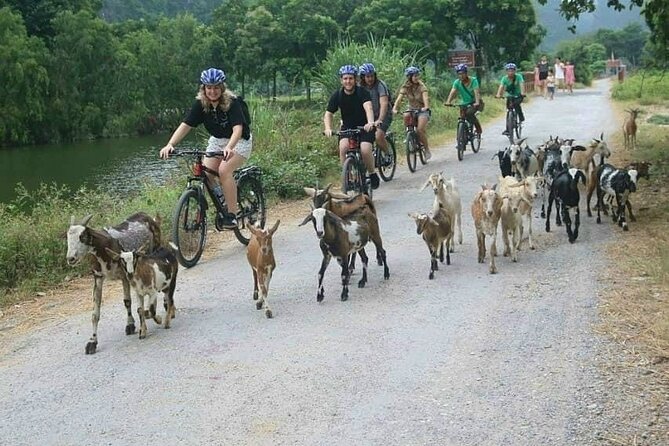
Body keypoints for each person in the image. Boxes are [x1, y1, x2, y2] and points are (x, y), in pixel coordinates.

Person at [159, 67, 252, 229]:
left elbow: (238, 129)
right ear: (203, 88)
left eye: (216, 87)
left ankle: (231, 215)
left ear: (222, 88)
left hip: (238, 141)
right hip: (217, 140)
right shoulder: (201, 105)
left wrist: (230, 147)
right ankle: (223, 197)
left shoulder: (232, 102)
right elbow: (185, 125)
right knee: (206, 172)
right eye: (208, 87)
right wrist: (170, 144)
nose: (212, 91)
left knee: (224, 170)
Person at [323, 64, 379, 189]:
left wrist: (370, 122)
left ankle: (372, 173)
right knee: (343, 148)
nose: (348, 81)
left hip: (364, 127)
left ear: (356, 80)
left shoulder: (362, 92)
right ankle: (347, 178)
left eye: (350, 78)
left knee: (365, 149)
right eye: (345, 78)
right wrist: (328, 128)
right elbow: (328, 114)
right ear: (341, 80)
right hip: (347, 127)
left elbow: (368, 107)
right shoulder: (337, 95)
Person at [392, 66, 431, 160]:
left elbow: (425, 98)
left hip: (422, 110)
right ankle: (409, 134)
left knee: (420, 129)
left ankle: (426, 150)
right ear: (409, 77)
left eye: (417, 75)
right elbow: (399, 99)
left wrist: (425, 107)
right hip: (412, 108)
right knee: (405, 115)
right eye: (414, 76)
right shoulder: (406, 87)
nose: (417, 77)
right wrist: (395, 108)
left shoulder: (422, 86)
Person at [358, 62, 393, 165]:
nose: (370, 79)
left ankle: (387, 154)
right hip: (368, 115)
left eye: (372, 76)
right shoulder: (359, 87)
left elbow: (384, 104)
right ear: (363, 77)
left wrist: (380, 120)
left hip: (383, 113)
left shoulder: (380, 85)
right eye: (367, 76)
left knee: (378, 135)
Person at [445, 63, 482, 136]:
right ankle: (461, 139)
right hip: (464, 102)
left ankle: (478, 127)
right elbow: (452, 92)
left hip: (474, 102)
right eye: (459, 74)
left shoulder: (473, 80)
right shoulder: (457, 82)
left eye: (463, 73)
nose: (461, 76)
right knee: (462, 117)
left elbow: (476, 92)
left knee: (469, 113)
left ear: (466, 73)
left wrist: (477, 102)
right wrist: (448, 101)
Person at [495, 62, 526, 135]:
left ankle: (521, 117)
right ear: (506, 71)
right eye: (509, 70)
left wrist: (523, 93)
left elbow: (522, 84)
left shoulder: (519, 77)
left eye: (512, 70)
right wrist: (498, 94)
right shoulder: (504, 78)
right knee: (509, 110)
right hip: (509, 95)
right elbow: (501, 86)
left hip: (518, 95)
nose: (511, 72)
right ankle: (508, 129)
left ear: (515, 71)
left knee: (516, 104)